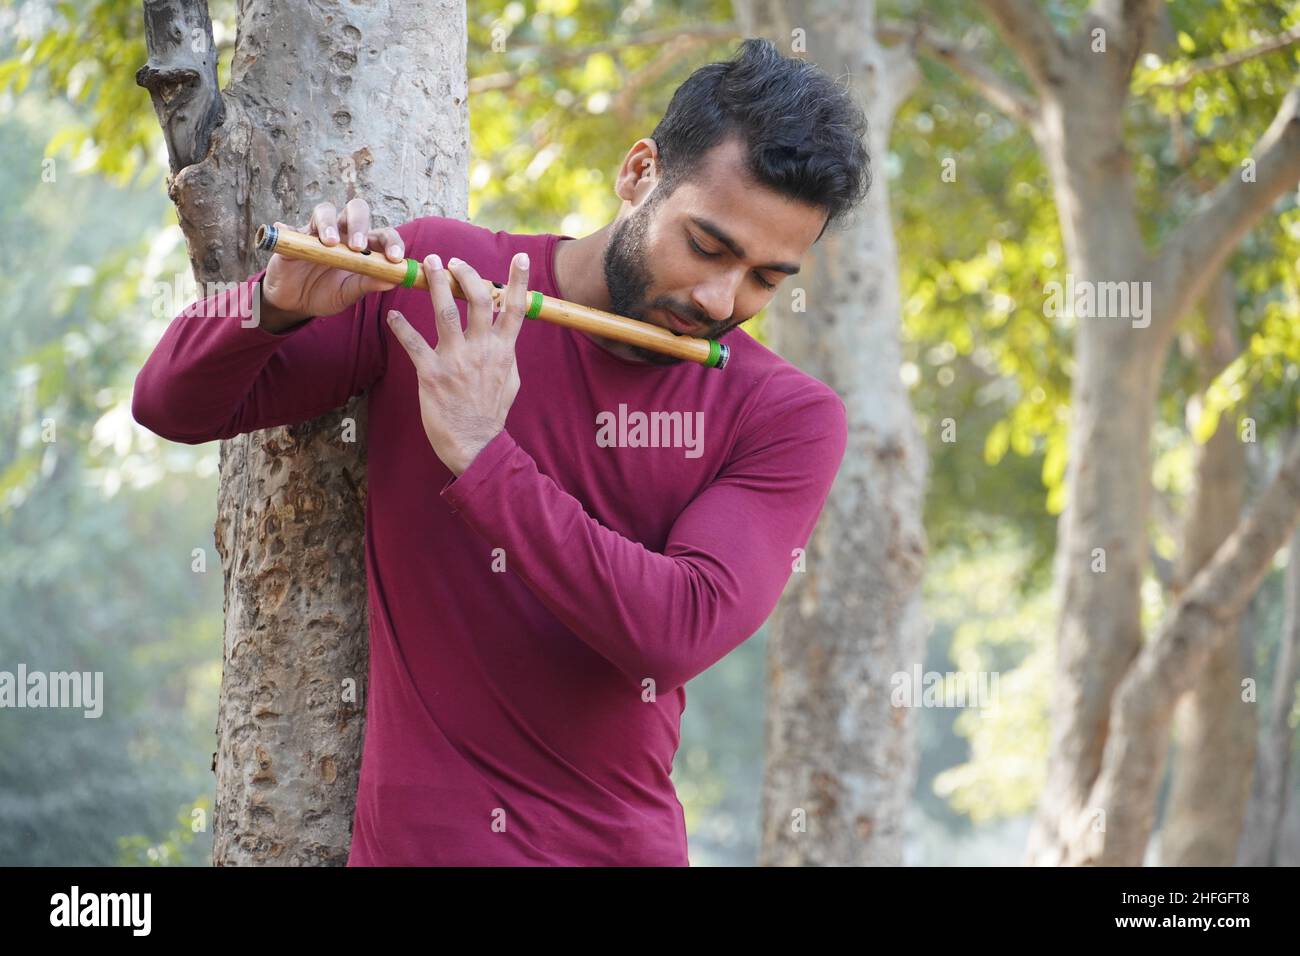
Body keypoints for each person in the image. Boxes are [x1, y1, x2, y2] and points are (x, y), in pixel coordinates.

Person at [132, 38, 868, 866]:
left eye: (766, 279)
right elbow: (172, 406)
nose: (719, 300)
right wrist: (274, 303)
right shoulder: (449, 280)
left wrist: (486, 456)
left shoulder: (788, 415)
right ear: (638, 173)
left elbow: (675, 629)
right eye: (707, 245)